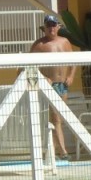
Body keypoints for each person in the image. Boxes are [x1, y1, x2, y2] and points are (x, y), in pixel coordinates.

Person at [30, 14, 75, 159]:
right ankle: (63, 151)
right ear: (44, 28)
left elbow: (74, 61)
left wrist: (71, 76)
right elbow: (28, 66)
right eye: (48, 25)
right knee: (55, 118)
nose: (51, 28)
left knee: (58, 119)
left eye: (53, 25)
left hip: (63, 85)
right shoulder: (39, 45)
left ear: (58, 27)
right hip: (50, 86)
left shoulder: (65, 42)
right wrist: (43, 78)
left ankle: (53, 152)